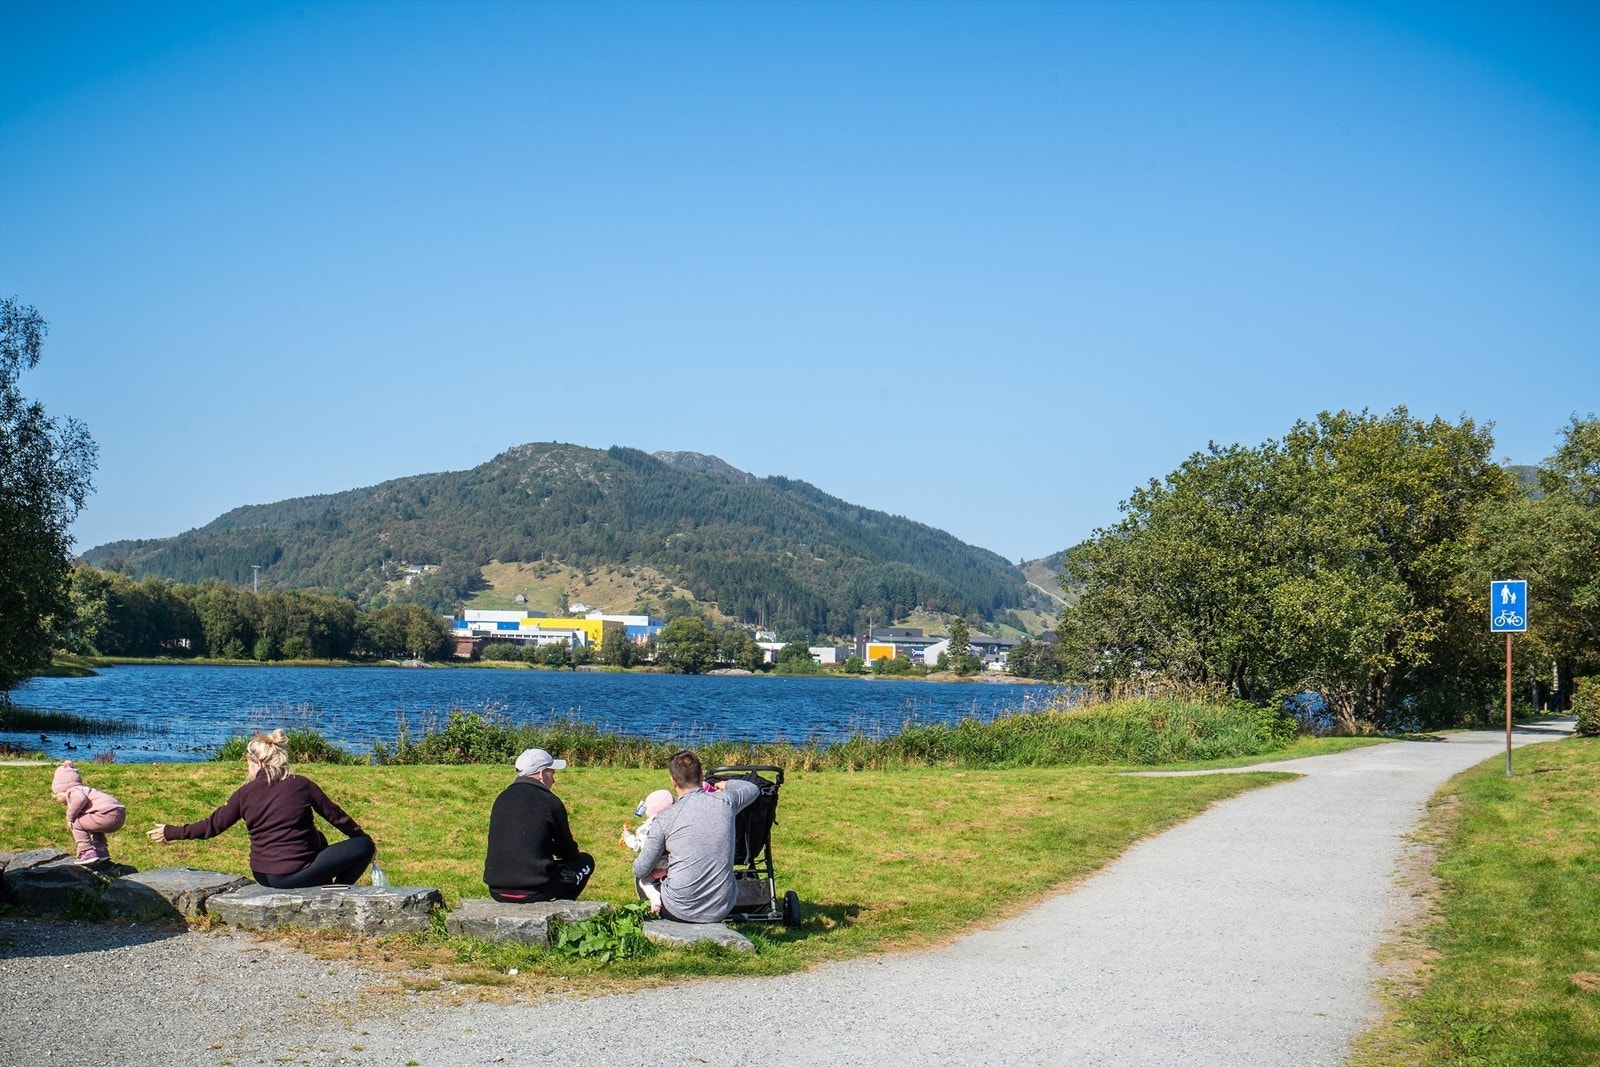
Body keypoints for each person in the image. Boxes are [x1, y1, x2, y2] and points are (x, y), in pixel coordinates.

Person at [146, 729, 376, 888]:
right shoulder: (301, 784)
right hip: (291, 874)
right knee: (364, 845)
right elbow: (337, 817)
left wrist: (171, 831)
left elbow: (211, 826)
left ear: (256, 762)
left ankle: (322, 886)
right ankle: (338, 891)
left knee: (319, 838)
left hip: (263, 875)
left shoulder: (244, 793)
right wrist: (361, 840)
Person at [632, 750, 759, 923]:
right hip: (721, 907)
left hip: (677, 909)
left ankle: (656, 911)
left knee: (642, 874)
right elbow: (752, 788)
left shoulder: (665, 818)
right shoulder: (726, 802)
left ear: (673, 781)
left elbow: (640, 869)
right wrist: (724, 784)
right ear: (701, 776)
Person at [483, 747, 594, 903]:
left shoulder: (502, 798)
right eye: (552, 773)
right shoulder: (549, 801)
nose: (553, 780)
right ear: (541, 774)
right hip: (534, 889)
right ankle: (562, 914)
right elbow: (568, 852)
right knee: (586, 861)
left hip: (496, 890)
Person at [52, 761, 127, 864]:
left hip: (106, 815)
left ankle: (86, 852)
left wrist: (70, 817)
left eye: (57, 795)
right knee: (91, 824)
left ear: (62, 790)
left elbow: (79, 799)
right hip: (118, 814)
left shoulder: (73, 791)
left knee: (76, 823)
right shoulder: (85, 790)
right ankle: (101, 851)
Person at [619, 788, 674, 911]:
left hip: (655, 867)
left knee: (644, 881)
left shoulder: (649, 827)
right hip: (670, 866)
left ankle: (654, 898)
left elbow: (640, 845)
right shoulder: (674, 823)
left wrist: (627, 836)